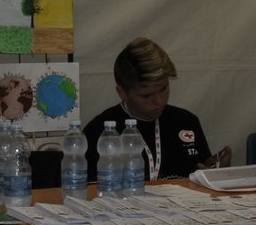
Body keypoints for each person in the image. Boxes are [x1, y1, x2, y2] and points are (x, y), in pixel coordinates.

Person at [83, 37, 229, 180]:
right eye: (146, 96)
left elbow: (204, 177)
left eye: (164, 88)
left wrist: (218, 177)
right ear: (122, 93)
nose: (159, 101)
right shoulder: (100, 132)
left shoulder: (187, 121)